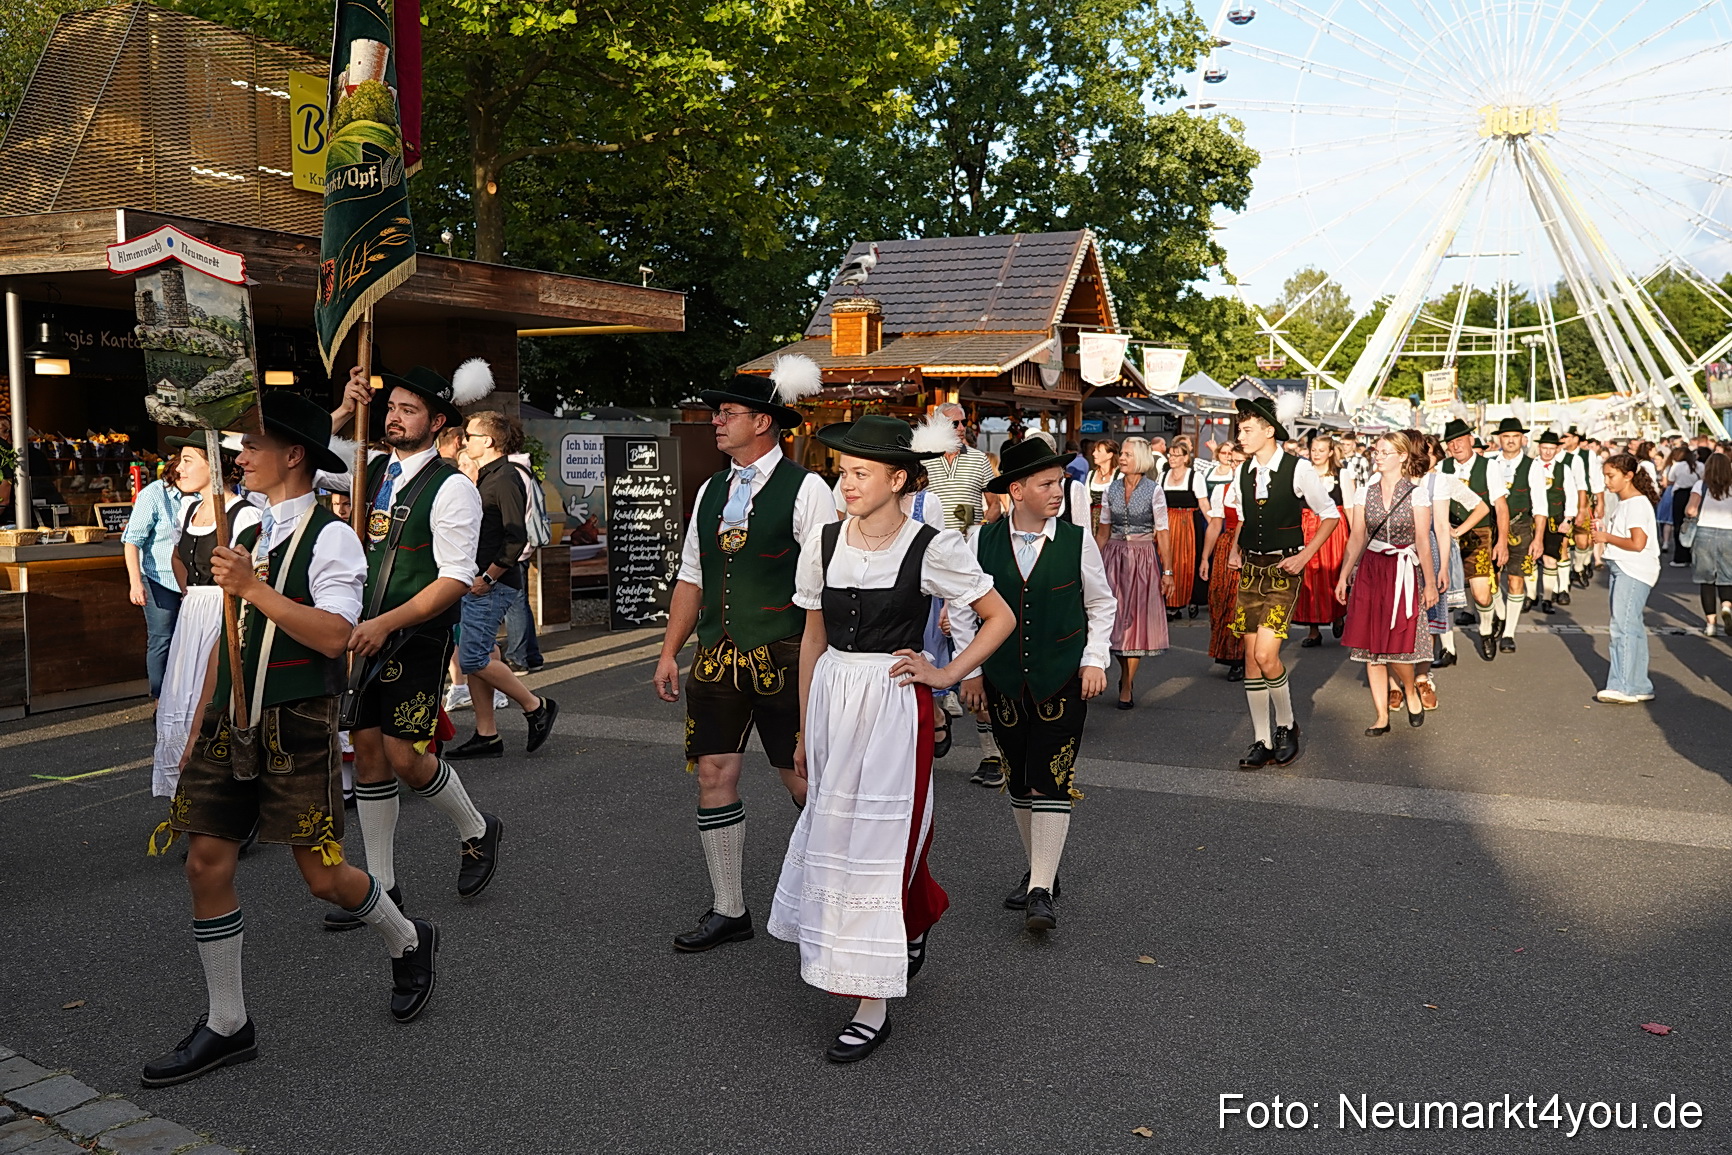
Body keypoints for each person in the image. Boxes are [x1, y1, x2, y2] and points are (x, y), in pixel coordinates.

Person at [141, 392, 437, 1088]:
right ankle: (227, 1022)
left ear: (294, 454)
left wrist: (255, 587)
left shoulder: (331, 536)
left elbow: (337, 635)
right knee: (205, 861)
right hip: (228, 721)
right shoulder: (246, 533)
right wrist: (198, 719)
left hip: (295, 721)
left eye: (252, 446)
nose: (239, 456)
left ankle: (408, 936)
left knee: (321, 877)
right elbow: (228, 638)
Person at [770, 415, 1014, 1063]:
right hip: (831, 700)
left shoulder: (931, 544)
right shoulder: (823, 540)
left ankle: (871, 1001)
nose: (844, 483)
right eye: (842, 472)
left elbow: (999, 616)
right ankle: (916, 913)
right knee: (833, 831)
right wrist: (802, 728)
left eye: (859, 473)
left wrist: (945, 674)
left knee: (877, 845)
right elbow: (813, 640)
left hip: (892, 704)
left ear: (898, 478)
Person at [652, 361, 835, 953]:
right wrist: (667, 652)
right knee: (713, 773)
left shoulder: (807, 489)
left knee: (802, 780)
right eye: (717, 412)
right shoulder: (710, 490)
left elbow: (824, 588)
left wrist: (821, 666)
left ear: (764, 422)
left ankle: (840, 898)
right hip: (717, 657)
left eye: (727, 413)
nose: (716, 421)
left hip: (784, 654)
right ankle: (729, 907)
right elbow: (691, 577)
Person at [318, 362, 504, 933]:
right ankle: (381, 887)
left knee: (403, 758)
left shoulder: (452, 488)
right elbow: (302, 456)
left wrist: (386, 623)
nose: (395, 418)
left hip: (418, 635)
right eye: (391, 407)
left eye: (408, 410)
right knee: (368, 754)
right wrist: (346, 411)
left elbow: (453, 579)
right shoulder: (368, 470)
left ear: (437, 421)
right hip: (365, 631)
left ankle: (477, 829)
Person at [950, 438, 1114, 933]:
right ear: (1016, 491)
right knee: (1020, 778)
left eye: (1059, 482)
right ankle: (1042, 869)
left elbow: (1100, 604)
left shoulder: (1077, 540)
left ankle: (1041, 888)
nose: (1057, 492)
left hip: (1061, 675)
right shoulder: (981, 541)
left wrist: (1093, 660)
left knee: (1051, 775)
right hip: (1001, 678)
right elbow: (960, 610)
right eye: (1046, 484)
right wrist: (971, 671)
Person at [1218, 398, 1340, 769]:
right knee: (1251, 661)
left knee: (1266, 656)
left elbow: (1329, 515)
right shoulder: (1242, 472)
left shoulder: (1298, 469)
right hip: (1250, 569)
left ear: (1270, 430)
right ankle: (1261, 738)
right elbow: (1242, 516)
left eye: (1247, 429)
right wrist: (1236, 549)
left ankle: (1287, 725)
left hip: (1283, 569)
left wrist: (1305, 557)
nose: (1241, 435)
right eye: (1240, 429)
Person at [444, 410, 558, 759]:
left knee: (475, 657)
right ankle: (487, 734)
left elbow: (515, 536)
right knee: (472, 656)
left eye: (471, 435)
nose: (465, 440)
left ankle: (536, 706)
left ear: (488, 441)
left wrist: (488, 577)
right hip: (476, 579)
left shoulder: (506, 477)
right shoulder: (487, 475)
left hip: (491, 581)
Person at [152, 437, 260, 800]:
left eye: (187, 460)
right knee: (182, 698)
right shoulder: (189, 510)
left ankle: (222, 797)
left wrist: (216, 601)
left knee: (212, 698)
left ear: (214, 465)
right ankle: (186, 796)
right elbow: (177, 558)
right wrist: (191, 596)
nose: (179, 468)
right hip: (193, 612)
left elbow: (253, 572)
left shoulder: (244, 514)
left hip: (223, 609)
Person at [1335, 433, 1438, 733]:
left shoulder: (1417, 493)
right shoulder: (1364, 492)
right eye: (1376, 451)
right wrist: (1344, 574)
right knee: (1372, 649)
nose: (1377, 456)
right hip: (1372, 569)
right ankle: (1381, 716)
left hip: (1403, 571)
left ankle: (1409, 688)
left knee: (1398, 645)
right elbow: (1357, 536)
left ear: (1403, 457)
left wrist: (1429, 583)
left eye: (1384, 452)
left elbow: (1422, 539)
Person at [1095, 437, 1175, 709]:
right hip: (1114, 557)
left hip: (1143, 557)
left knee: (1136, 621)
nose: (1122, 457)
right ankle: (1122, 672)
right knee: (1115, 618)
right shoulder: (1111, 490)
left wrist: (1168, 571)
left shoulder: (1154, 490)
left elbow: (1163, 532)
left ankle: (1127, 684)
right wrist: (1092, 565)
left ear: (1140, 458)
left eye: (1127, 454)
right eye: (1122, 453)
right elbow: (1103, 531)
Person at [1439, 418, 1512, 661]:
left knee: (1481, 594)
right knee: (1445, 591)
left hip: (1479, 533)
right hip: (1448, 534)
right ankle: (1448, 649)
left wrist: (1502, 541)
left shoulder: (1489, 467)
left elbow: (1501, 507)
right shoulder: (1442, 468)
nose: (1456, 446)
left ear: (1471, 440)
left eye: (1460, 440)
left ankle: (1486, 631)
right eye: (1451, 442)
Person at [1593, 453, 1660, 703]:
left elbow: (1637, 543)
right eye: (1606, 476)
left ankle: (1624, 685)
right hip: (1629, 567)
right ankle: (1639, 684)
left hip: (1633, 568)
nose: (1607, 482)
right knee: (1632, 626)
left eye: (1611, 476)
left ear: (1628, 476)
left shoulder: (1634, 503)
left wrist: (1606, 538)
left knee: (1622, 627)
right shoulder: (1629, 503)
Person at [123, 454, 186, 701]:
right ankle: (160, 699)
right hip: (157, 576)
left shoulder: (200, 495)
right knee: (162, 637)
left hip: (190, 579)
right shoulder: (153, 494)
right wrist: (136, 583)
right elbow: (131, 541)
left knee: (189, 638)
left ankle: (184, 696)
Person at [1486, 417, 1549, 653]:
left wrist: (1538, 538)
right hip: (1492, 525)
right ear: (1499, 439)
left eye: (1515, 436)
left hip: (1521, 526)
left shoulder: (1532, 466)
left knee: (1515, 580)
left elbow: (1540, 505)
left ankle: (1509, 633)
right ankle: (1501, 615)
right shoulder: (1490, 463)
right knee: (1490, 579)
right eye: (1506, 436)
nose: (1511, 441)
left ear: (1522, 440)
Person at [1295, 434, 1350, 647]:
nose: (1316, 454)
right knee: (1309, 578)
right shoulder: (1302, 474)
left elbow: (1348, 506)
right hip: (1307, 527)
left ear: (1330, 452)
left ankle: (1337, 616)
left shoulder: (1340, 475)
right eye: (1313, 450)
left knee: (1332, 574)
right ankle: (1313, 630)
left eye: (1320, 450)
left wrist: (1356, 535)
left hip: (1333, 529)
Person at [1199, 440, 1245, 681]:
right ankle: (1230, 652)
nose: (1235, 466)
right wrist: (1205, 557)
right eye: (1233, 461)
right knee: (1221, 598)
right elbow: (1215, 524)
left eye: (1239, 462)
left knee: (1242, 603)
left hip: (1248, 547)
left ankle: (1242, 657)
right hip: (1226, 544)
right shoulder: (1223, 490)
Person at [1160, 438, 1211, 619]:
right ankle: (1169, 602)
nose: (1171, 458)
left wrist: (1213, 526)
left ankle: (1188, 599)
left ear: (1185, 458)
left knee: (1186, 562)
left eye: (1176, 455)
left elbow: (1204, 504)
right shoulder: (1163, 476)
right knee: (1167, 561)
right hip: (1167, 523)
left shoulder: (1194, 476)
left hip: (1187, 522)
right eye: (1170, 454)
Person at [1683, 452, 1732, 636]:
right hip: (1729, 533)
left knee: (1706, 580)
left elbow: (1691, 510)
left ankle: (1710, 624)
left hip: (1704, 533)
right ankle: (1727, 606)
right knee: (1728, 576)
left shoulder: (1700, 485)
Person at [1532, 431, 1579, 615]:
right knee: (1531, 558)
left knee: (1551, 558)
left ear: (1557, 449)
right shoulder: (1531, 466)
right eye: (1545, 448)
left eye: (1552, 449)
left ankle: (1547, 597)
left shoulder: (1563, 469)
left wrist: (1568, 519)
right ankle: (1530, 595)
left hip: (1554, 518)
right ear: (1539, 448)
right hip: (1532, 517)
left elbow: (1571, 496)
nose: (1548, 452)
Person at [1560, 427, 1602, 587]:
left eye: (1567, 436)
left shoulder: (1587, 455)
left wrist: (1600, 501)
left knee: (1584, 539)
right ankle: (1570, 573)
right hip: (1562, 500)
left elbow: (1595, 479)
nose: (1563, 440)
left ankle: (1580, 565)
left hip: (1583, 500)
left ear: (1576, 439)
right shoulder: (1558, 456)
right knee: (1564, 540)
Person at [1661, 446, 1702, 567]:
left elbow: (1670, 479)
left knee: (1679, 525)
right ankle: (1692, 556)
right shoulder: (1699, 465)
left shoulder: (1677, 466)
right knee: (1694, 524)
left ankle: (1680, 557)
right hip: (1695, 492)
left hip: (1680, 494)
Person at [1085, 438, 1119, 532]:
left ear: (1110, 455)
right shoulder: (1091, 474)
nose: (1094, 454)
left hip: (1114, 522)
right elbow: (1087, 501)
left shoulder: (1119, 475)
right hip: (1095, 522)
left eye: (1098, 451)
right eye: (1094, 451)